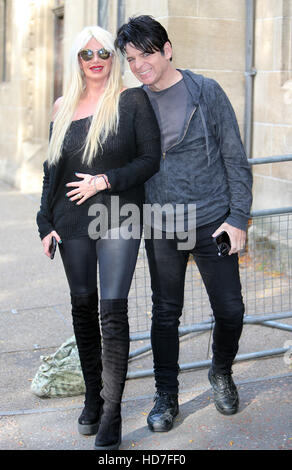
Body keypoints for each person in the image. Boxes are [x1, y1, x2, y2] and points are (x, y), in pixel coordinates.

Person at [115, 15, 253, 432]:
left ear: (168, 49)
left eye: (147, 54)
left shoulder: (205, 91)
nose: (140, 65)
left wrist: (238, 217)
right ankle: (166, 395)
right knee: (165, 314)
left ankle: (221, 372)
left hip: (213, 221)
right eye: (131, 58)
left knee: (231, 309)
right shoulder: (132, 102)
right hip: (162, 223)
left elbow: (234, 156)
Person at [36, 25, 161, 450]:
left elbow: (149, 160)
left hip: (117, 214)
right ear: (77, 60)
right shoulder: (61, 106)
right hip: (70, 221)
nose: (95, 60)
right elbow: (51, 174)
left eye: (103, 53)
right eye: (86, 54)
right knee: (83, 307)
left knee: (112, 310)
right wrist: (44, 223)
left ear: (113, 58)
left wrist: (105, 180)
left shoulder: (132, 101)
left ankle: (111, 412)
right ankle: (93, 395)